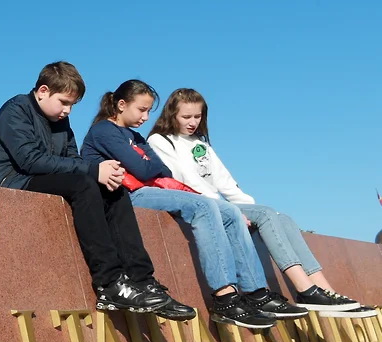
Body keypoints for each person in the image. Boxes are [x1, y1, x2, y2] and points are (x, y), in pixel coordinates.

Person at [81, 80, 307, 329]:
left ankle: (256, 293)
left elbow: (161, 169)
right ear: (122, 105)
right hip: (127, 196)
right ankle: (225, 298)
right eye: (141, 110)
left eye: (149, 111)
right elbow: (143, 169)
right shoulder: (104, 131)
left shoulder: (133, 136)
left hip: (149, 190)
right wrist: (144, 164)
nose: (145, 117)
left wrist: (145, 165)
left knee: (230, 212)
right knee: (203, 207)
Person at [0, 62, 194, 320]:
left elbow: (72, 157)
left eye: (72, 105)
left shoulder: (60, 120)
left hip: (42, 178)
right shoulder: (16, 109)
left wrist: (103, 173)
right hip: (12, 181)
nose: (67, 111)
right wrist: (93, 171)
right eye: (64, 102)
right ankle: (110, 283)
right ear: (43, 91)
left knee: (114, 189)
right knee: (85, 184)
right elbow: (30, 160)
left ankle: (142, 280)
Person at [148, 88, 374, 318]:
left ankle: (324, 290)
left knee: (281, 218)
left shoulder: (200, 142)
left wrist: (249, 208)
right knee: (265, 214)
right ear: (172, 114)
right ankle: (305, 290)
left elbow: (225, 182)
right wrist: (234, 212)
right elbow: (184, 181)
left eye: (198, 116)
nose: (193, 122)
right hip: (197, 205)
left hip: (220, 204)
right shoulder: (160, 141)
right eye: (186, 117)